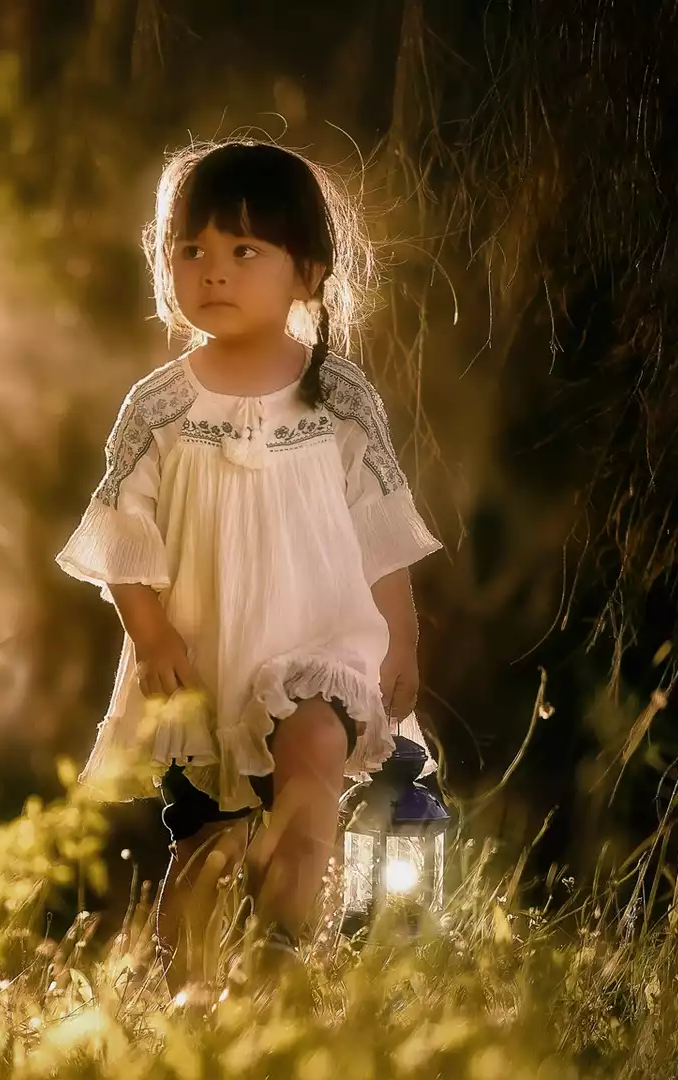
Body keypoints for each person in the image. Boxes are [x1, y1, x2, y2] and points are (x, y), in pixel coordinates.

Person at [54, 139, 443, 991]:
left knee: (311, 765)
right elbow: (123, 530)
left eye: (243, 252)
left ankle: (279, 962)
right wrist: (149, 633)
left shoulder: (338, 395)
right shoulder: (160, 404)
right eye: (191, 251)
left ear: (306, 274)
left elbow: (382, 525)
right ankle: (195, 1006)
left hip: (324, 643)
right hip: (205, 658)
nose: (214, 273)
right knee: (202, 845)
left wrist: (402, 639)